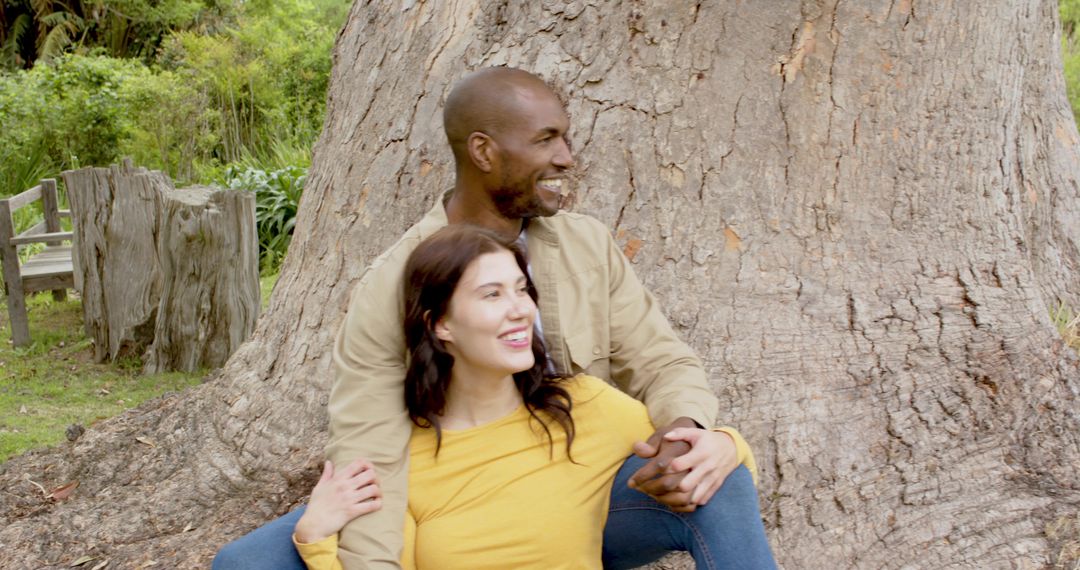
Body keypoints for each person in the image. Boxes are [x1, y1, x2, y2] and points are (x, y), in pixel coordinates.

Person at [214, 67, 766, 569]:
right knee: (248, 563)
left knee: (711, 474)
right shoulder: (397, 281)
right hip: (452, 493)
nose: (566, 157)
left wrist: (686, 432)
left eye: (564, 137)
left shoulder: (586, 245)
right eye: (545, 139)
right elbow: (369, 446)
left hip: (578, 480)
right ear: (483, 151)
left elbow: (661, 360)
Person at [290, 225, 772, 569]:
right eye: (492, 295)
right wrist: (315, 539)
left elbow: (703, 468)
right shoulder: (407, 460)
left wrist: (726, 444)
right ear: (441, 325)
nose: (521, 309)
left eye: (522, 290)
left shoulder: (582, 408)